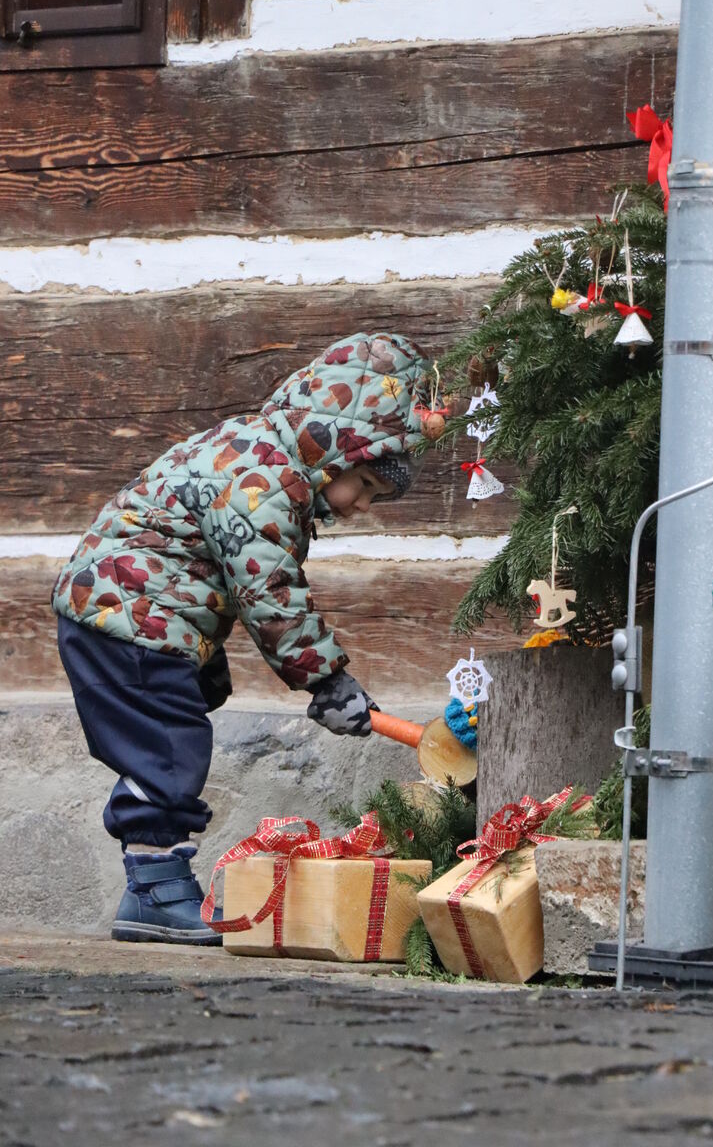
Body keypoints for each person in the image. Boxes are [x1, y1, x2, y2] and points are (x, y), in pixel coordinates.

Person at [52, 332, 432, 945]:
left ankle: (150, 884)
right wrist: (327, 680)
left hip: (128, 613)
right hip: (125, 618)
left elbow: (210, 566)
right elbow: (270, 589)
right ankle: (155, 887)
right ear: (336, 448)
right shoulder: (265, 479)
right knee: (168, 748)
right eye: (365, 486)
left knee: (173, 723)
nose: (361, 505)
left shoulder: (262, 455)